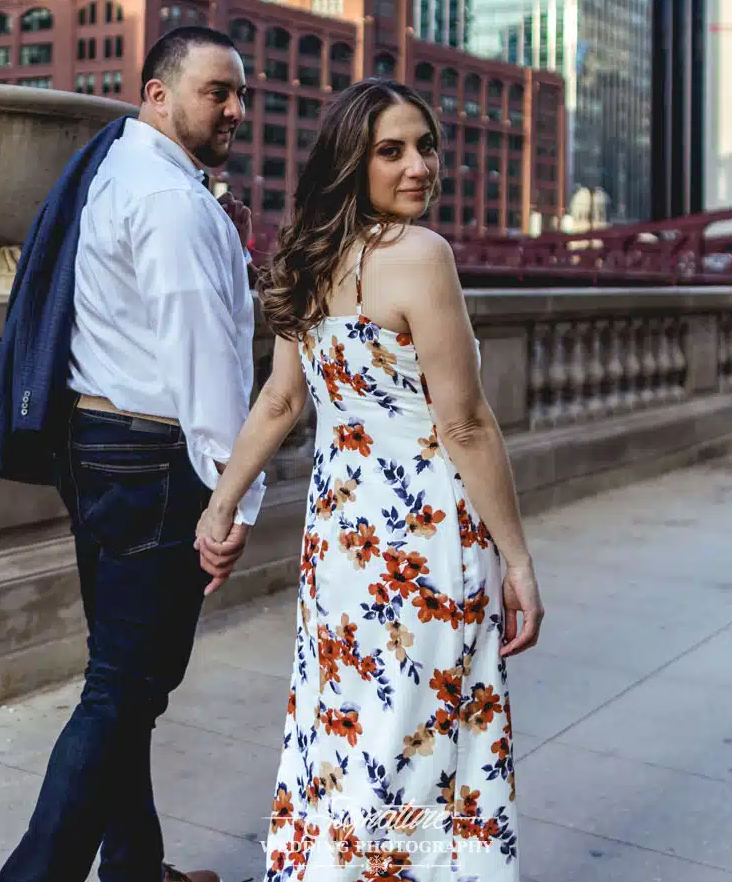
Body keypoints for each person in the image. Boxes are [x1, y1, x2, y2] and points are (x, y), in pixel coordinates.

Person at [195, 79, 544, 882]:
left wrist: (220, 510)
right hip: (424, 547)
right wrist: (519, 560)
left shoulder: (306, 256)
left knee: (353, 730)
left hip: (343, 551)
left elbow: (280, 400)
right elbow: (464, 424)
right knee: (417, 743)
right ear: (353, 161)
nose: (419, 165)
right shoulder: (422, 257)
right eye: (393, 150)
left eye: (425, 146)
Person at [0, 25, 263, 882]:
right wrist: (233, 500)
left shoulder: (117, 167)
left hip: (97, 445)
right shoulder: (172, 201)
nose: (235, 108)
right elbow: (205, 361)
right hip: (154, 462)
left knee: (121, 681)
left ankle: (135, 871)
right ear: (157, 93)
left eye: (239, 94)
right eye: (215, 91)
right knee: (124, 689)